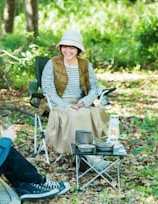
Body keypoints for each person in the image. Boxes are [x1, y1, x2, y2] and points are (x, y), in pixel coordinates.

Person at [41, 29, 110, 170]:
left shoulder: (85, 64)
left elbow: (94, 87)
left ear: (78, 50)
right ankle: (90, 157)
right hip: (58, 103)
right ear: (60, 48)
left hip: (80, 102)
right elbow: (48, 90)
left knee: (86, 112)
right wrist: (65, 105)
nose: (68, 50)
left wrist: (85, 101)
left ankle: (85, 156)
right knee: (74, 114)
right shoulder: (52, 63)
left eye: (72, 47)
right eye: (65, 46)